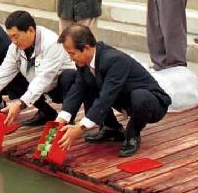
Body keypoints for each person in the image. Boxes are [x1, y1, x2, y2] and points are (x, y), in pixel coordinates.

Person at [54, 26, 171, 158]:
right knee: (87, 83)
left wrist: (80, 128)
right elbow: (78, 89)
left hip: (151, 103)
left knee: (140, 97)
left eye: (72, 53)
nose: (70, 58)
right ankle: (111, 128)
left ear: (86, 48)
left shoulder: (115, 59)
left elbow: (106, 97)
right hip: (121, 98)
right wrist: (60, 120)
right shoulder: (84, 60)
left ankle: (132, 134)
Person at [0, 10, 75, 127]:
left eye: (16, 36)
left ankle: (67, 119)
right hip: (37, 83)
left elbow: (44, 79)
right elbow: (4, 71)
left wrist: (20, 104)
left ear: (31, 30)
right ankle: (47, 113)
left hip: (59, 87)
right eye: (10, 37)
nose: (13, 41)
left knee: (69, 76)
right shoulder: (15, 47)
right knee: (11, 76)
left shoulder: (52, 43)